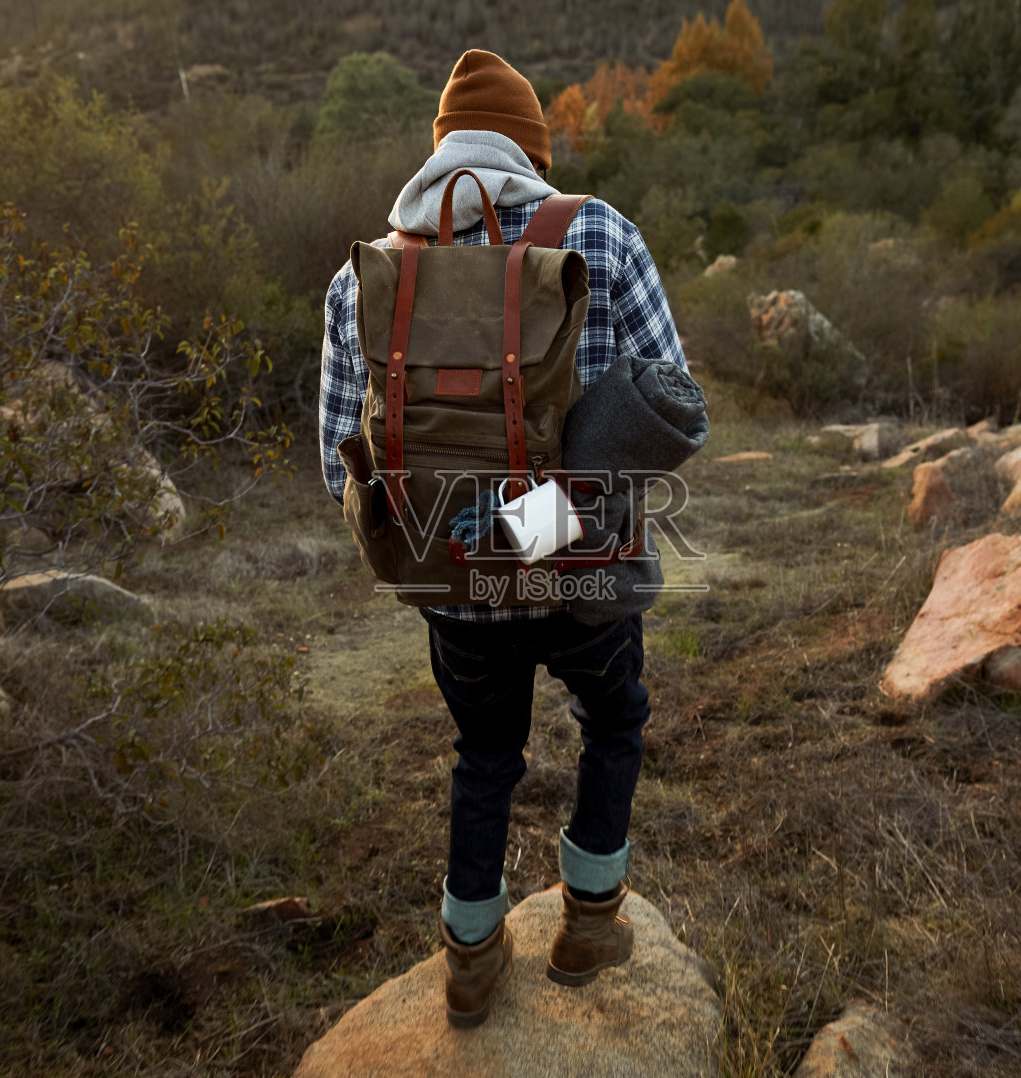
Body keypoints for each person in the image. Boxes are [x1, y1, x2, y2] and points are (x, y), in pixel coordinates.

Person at [318, 48, 690, 1028]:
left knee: (484, 751)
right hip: (585, 568)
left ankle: (472, 957)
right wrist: (545, 517)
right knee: (614, 722)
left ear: (439, 151)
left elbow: (336, 458)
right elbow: (673, 401)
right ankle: (589, 924)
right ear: (532, 149)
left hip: (451, 585)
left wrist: (464, 533)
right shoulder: (599, 235)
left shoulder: (368, 272)